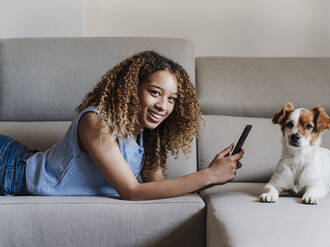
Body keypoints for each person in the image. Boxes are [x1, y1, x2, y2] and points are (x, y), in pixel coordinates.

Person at [0, 51, 244, 200]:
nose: (163, 106)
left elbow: (157, 188)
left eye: (171, 99)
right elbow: (132, 192)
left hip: (21, 157)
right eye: (155, 93)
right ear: (131, 90)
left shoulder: (146, 136)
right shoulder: (96, 123)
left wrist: (213, 176)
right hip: (10, 169)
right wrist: (207, 175)